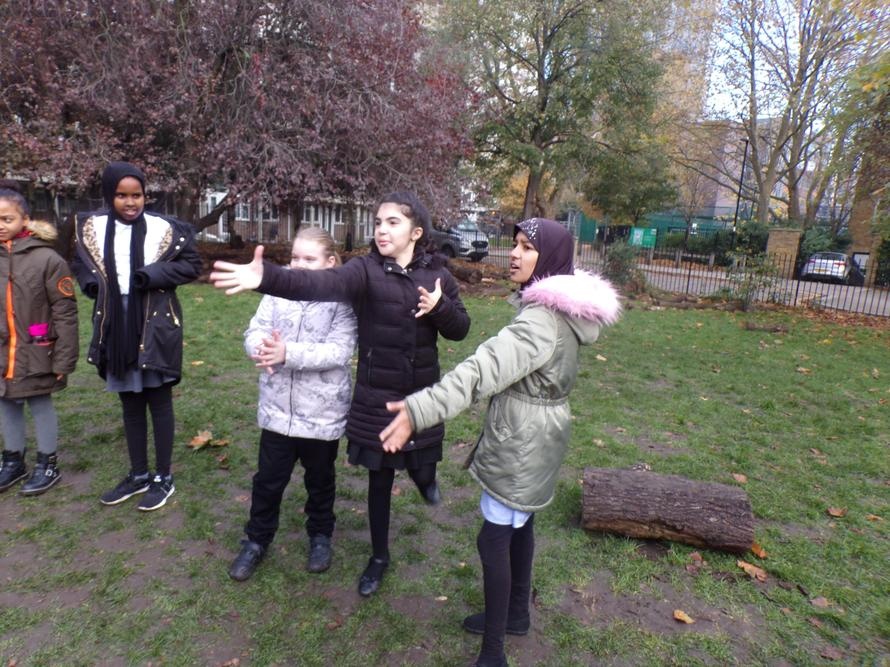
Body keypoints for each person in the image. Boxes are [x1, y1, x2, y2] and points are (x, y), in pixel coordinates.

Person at [379, 218, 621, 667]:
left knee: (493, 540)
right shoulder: (560, 314)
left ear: (548, 260)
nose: (513, 253)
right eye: (515, 244)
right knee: (520, 525)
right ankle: (516, 615)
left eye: (527, 247)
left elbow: (481, 370)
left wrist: (419, 409)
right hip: (541, 432)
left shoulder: (541, 321)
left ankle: (493, 653)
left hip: (522, 441)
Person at [210, 191, 470, 596]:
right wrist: (267, 278)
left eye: (393, 222)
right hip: (376, 395)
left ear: (416, 232)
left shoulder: (438, 277)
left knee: (421, 463)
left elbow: (460, 329)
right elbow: (320, 282)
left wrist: (440, 308)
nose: (381, 229)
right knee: (380, 478)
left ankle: (425, 478)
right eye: (378, 222)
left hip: (420, 391)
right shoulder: (365, 270)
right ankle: (378, 557)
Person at [72, 161, 202, 511]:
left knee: (158, 401)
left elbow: (192, 265)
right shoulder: (93, 229)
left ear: (146, 195)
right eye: (121, 195)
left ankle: (163, 477)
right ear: (109, 195)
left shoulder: (165, 229)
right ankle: (139, 473)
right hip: (115, 325)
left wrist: (153, 274)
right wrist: (90, 284)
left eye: (137, 195)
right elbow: (81, 263)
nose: (130, 202)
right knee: (130, 403)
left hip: (155, 323)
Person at [228, 227, 357, 581]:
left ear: (330, 262)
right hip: (278, 411)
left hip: (321, 413)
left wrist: (288, 353)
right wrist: (261, 349)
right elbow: (255, 329)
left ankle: (320, 535)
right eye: (295, 257)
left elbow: (339, 350)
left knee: (320, 480)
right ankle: (257, 539)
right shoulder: (277, 291)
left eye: (309, 259)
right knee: (268, 481)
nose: (298, 265)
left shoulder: (341, 300)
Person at [0, 183, 78, 495]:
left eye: (7, 219)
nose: (0, 225)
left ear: (25, 219)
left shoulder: (47, 259)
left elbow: (65, 311)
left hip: (37, 350)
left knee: (39, 401)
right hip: (3, 353)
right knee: (6, 402)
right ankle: (12, 459)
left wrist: (64, 359)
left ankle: (48, 462)